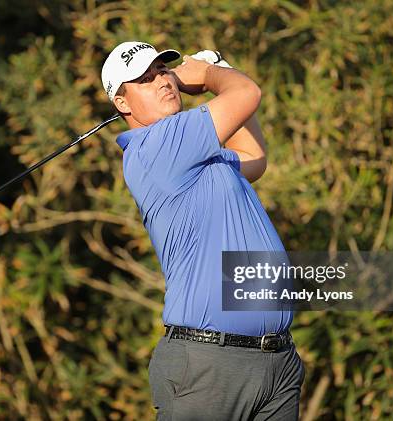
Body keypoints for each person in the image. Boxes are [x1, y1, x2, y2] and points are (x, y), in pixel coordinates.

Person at [101, 41, 305, 420]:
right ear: (123, 104)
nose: (162, 80)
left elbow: (253, 160)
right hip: (209, 363)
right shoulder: (158, 144)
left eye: (163, 71)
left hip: (275, 363)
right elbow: (247, 93)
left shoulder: (194, 153)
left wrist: (220, 69)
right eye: (144, 80)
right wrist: (210, 75)